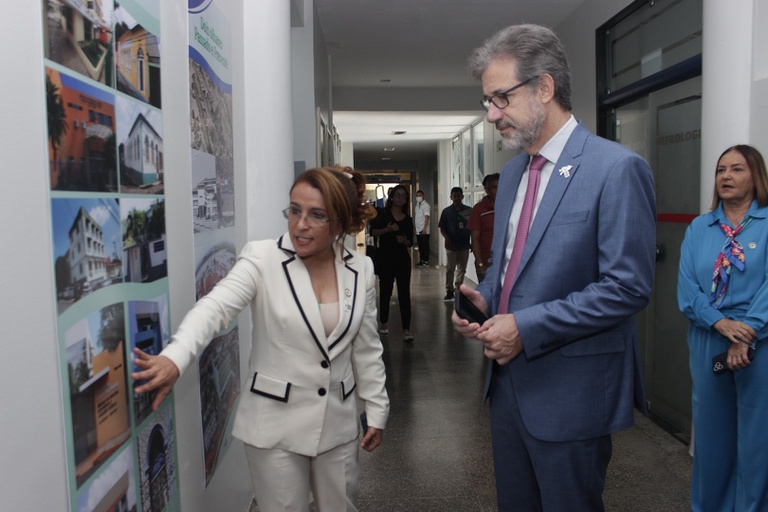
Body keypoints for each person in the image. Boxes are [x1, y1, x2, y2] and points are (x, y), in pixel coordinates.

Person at [452, 24, 656, 511]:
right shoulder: (517, 172)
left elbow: (628, 287)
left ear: (544, 88)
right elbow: (509, 266)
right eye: (486, 102)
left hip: (572, 396)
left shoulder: (616, 169)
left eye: (500, 98)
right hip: (506, 389)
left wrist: (526, 325)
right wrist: (487, 297)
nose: (491, 115)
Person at [131, 166, 389, 512]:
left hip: (338, 423)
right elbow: (214, 307)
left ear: (340, 223)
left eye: (316, 216)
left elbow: (367, 347)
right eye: (294, 210)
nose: (300, 225)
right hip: (274, 424)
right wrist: (176, 358)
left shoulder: (361, 270)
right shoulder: (262, 258)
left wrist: (376, 408)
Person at [677, 144, 768, 511]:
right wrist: (720, 322)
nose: (726, 177)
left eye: (737, 169)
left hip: (759, 341)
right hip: (707, 337)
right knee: (712, 436)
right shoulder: (700, 227)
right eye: (721, 170)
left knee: (756, 437)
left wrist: (745, 331)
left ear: (756, 176)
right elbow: (687, 289)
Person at [369, 184, 415, 342]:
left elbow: (411, 243)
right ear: (392, 197)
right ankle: (383, 322)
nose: (401, 198)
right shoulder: (382, 214)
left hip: (402, 260)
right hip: (385, 258)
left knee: (404, 294)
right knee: (385, 291)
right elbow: (373, 232)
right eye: (398, 195)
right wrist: (387, 230)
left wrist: (404, 241)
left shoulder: (408, 219)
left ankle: (407, 329)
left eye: (404, 195)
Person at [438, 187, 472, 300]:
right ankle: (449, 290)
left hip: (464, 245)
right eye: (454, 196)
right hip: (451, 245)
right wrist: (447, 238)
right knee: (450, 268)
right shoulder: (446, 212)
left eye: (459, 196)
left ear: (462, 197)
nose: (457, 198)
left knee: (462, 269)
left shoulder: (468, 211)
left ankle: (458, 289)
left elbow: (472, 228)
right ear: (451, 197)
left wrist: (472, 242)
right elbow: (442, 228)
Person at [469, 173, 499, 282]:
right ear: (487, 190)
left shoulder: (511, 206)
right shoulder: (479, 209)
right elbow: (475, 238)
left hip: (507, 263)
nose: (498, 190)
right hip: (486, 264)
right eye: (494, 187)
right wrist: (480, 264)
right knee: (487, 297)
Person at [414, 190, 432, 267]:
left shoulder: (426, 206)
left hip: (424, 230)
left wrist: (425, 228)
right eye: (417, 196)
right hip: (418, 229)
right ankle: (422, 260)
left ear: (423, 196)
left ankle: (426, 261)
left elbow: (427, 217)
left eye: (420, 195)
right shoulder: (417, 206)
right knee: (420, 246)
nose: (418, 197)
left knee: (425, 245)